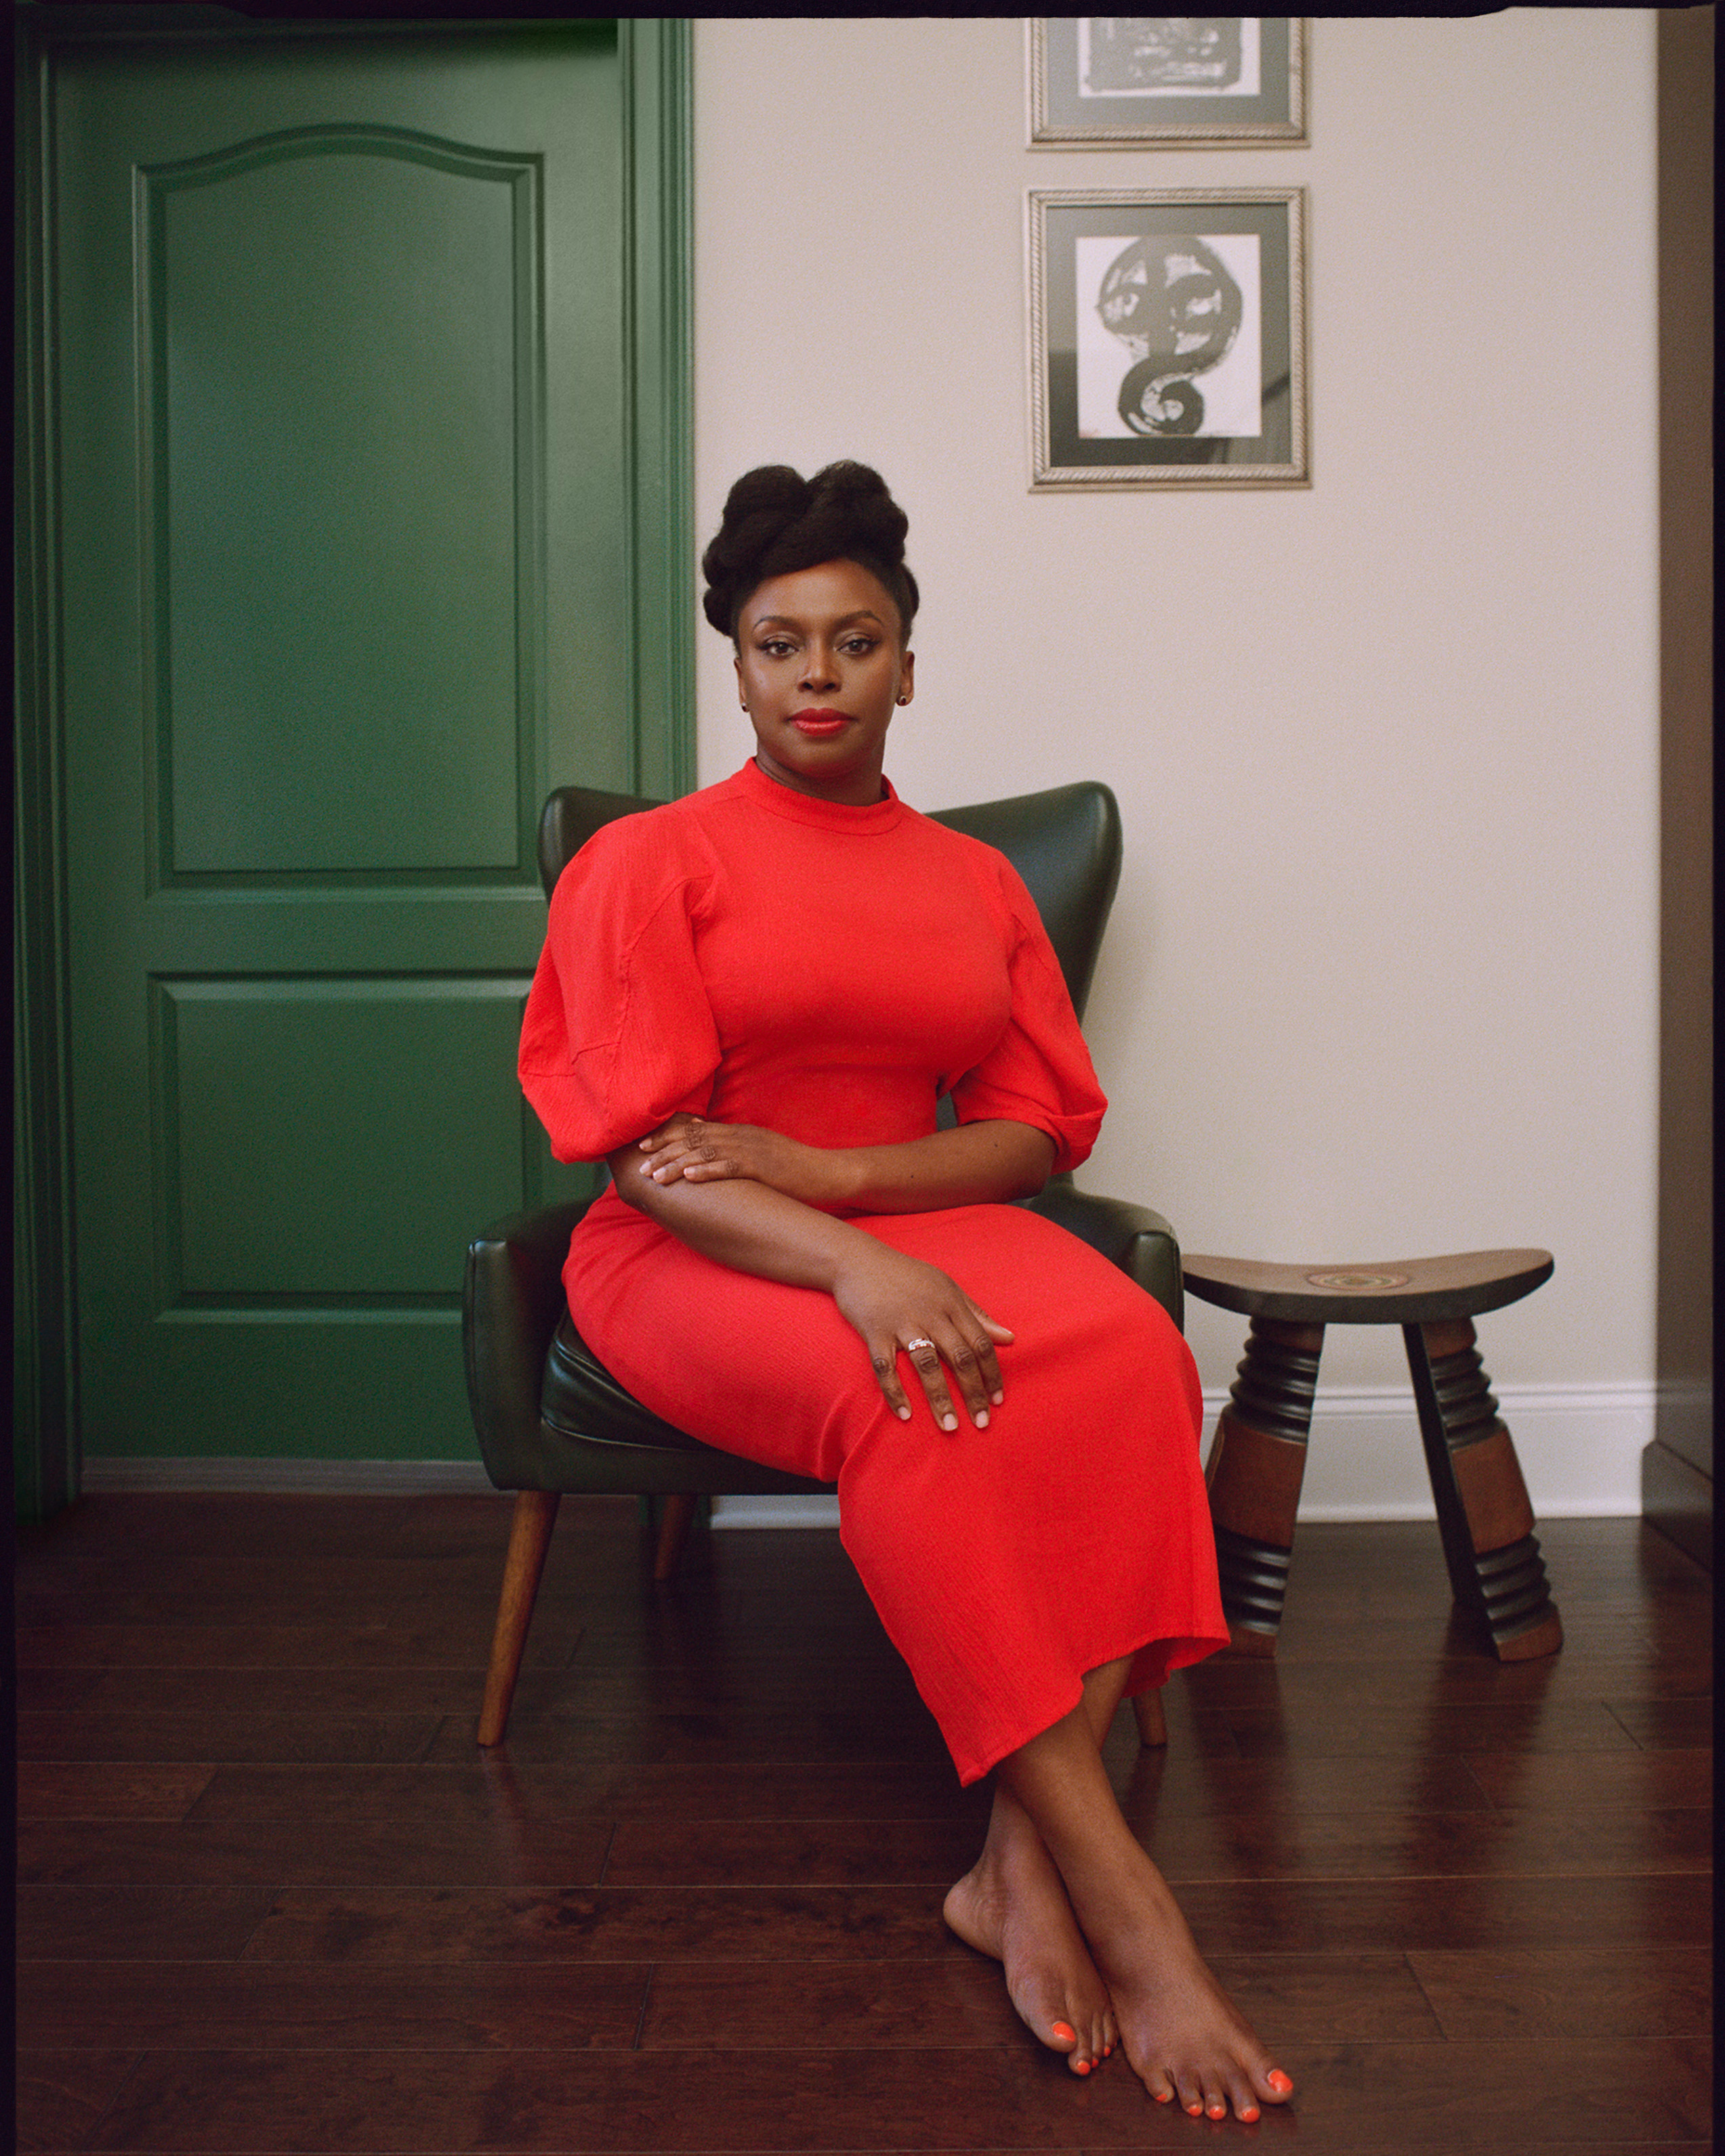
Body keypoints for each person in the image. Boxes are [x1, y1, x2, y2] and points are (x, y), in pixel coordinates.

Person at [519, 461, 1293, 2123]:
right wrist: (850, 1261)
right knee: (926, 1397)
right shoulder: (649, 863)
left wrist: (861, 1188)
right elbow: (649, 1153)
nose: (816, 674)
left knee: (1134, 1352)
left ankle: (1010, 1863)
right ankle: (1130, 1906)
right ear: (733, 662)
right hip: (686, 1251)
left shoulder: (972, 879)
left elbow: (1029, 1127)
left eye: (853, 641)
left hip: (887, 1209)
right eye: (779, 641)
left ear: (907, 664)